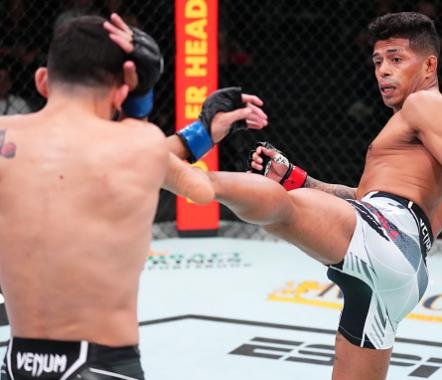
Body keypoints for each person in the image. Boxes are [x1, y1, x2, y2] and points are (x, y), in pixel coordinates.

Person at [205, 12, 442, 380]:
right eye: (378, 61)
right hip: (402, 261)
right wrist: (300, 178)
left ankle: (183, 173)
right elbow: (364, 199)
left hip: (388, 237)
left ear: (429, 65)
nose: (383, 70)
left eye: (396, 59)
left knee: (280, 208)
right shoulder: (416, 130)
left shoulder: (428, 104)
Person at [0, 15, 266, 379]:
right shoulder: (140, 144)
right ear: (123, 91)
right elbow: (197, 188)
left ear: (42, 80)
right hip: (104, 365)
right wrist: (200, 130)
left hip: (16, 363)